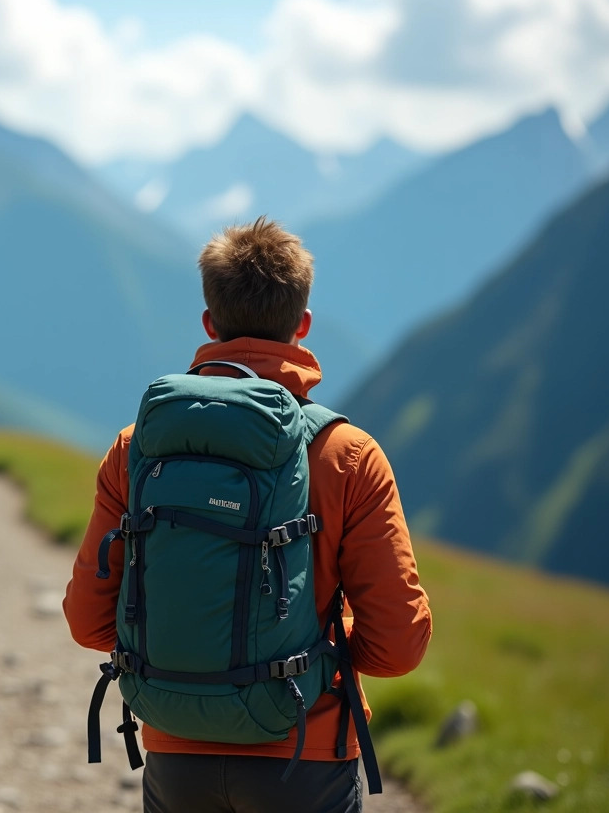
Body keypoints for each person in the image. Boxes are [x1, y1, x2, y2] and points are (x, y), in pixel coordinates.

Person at [62, 216, 432, 813]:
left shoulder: (137, 449)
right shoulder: (350, 456)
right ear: (303, 326)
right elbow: (399, 645)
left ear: (209, 323)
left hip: (174, 751)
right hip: (304, 753)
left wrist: (177, 657)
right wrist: (306, 665)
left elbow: (87, 621)